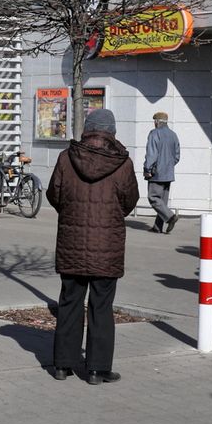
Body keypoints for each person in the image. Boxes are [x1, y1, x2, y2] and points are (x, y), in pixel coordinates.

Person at [45, 109, 139, 385]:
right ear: (112, 132)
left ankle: (62, 365)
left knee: (70, 302)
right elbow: (130, 200)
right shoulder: (122, 163)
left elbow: (54, 195)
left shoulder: (66, 158)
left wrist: (71, 212)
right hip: (107, 246)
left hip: (72, 243)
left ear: (87, 129)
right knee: (101, 306)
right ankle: (97, 369)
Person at [143, 111, 181, 233]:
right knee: (162, 202)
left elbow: (151, 154)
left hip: (157, 173)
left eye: (154, 121)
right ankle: (157, 227)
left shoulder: (154, 133)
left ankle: (170, 217)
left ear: (157, 122)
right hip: (168, 173)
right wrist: (168, 166)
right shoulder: (173, 135)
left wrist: (147, 169)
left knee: (153, 197)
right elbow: (177, 156)